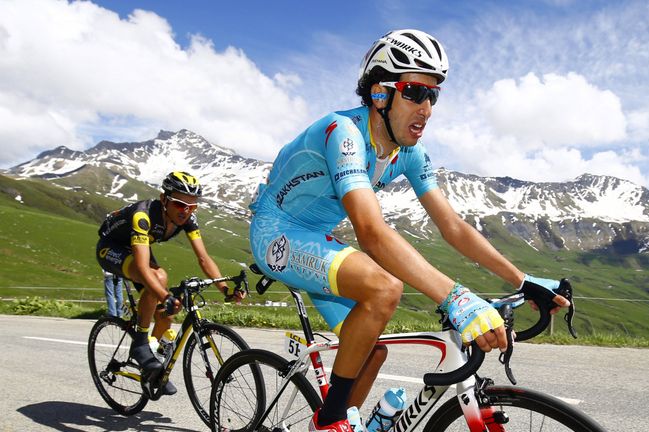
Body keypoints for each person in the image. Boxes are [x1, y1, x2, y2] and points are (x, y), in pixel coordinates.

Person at [249, 29, 571, 432]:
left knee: (371, 352)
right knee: (384, 288)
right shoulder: (343, 133)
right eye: (415, 93)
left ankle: (336, 423)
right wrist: (456, 298)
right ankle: (330, 419)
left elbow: (453, 226)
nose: (427, 108)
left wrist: (523, 281)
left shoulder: (410, 154)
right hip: (276, 232)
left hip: (316, 235)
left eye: (433, 96)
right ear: (380, 93)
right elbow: (370, 230)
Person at [96, 171, 245, 395]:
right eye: (179, 204)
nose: (185, 211)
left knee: (166, 317)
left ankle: (152, 368)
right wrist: (165, 296)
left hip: (140, 248)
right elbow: (145, 269)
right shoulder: (143, 216)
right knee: (160, 279)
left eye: (192, 206)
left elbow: (204, 258)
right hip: (112, 248)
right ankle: (139, 345)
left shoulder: (188, 220)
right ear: (164, 199)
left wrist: (224, 289)